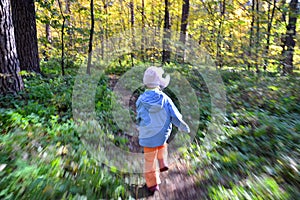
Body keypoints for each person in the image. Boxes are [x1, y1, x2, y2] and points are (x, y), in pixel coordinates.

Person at [136, 66, 190, 193]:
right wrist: (182, 125)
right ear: (159, 83)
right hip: (162, 135)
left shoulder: (141, 99)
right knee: (161, 143)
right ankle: (162, 161)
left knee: (149, 161)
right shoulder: (165, 99)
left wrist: (139, 126)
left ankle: (152, 185)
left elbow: (139, 116)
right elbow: (174, 115)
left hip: (148, 137)